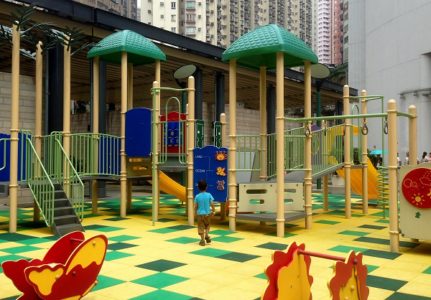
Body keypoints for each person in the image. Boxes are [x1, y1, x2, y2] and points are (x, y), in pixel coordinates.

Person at [194, 179, 215, 246]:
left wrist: (195, 213)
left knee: (201, 227)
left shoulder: (197, 196)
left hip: (200, 214)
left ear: (198, 188)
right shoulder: (209, 195)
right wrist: (213, 210)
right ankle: (206, 235)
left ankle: (202, 240)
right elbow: (212, 204)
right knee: (208, 225)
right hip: (207, 214)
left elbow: (195, 206)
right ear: (206, 187)